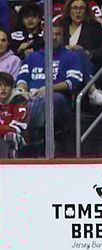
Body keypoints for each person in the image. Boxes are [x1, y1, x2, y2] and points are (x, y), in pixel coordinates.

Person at [14, 21, 83, 153]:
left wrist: (49, 88)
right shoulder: (32, 57)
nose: (54, 37)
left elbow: (73, 82)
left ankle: (34, 140)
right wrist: (23, 90)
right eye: (51, 34)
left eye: (58, 34)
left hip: (58, 97)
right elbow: (22, 77)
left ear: (63, 36)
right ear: (44, 36)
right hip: (31, 95)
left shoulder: (70, 56)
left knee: (48, 101)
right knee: (17, 99)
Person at [62, 0, 102, 106]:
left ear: (86, 11)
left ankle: (91, 90)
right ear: (69, 11)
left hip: (88, 65)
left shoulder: (94, 27)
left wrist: (88, 53)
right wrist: (65, 49)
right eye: (75, 8)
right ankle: (92, 91)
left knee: (80, 52)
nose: (78, 12)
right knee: (77, 52)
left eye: (81, 8)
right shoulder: (61, 27)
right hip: (63, 65)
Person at [0, 71, 27, 158]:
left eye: (6, 86)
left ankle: (11, 163)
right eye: (0, 86)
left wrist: (3, 129)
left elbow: (17, 128)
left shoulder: (19, 100)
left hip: (20, 138)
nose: (3, 88)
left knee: (10, 136)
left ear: (12, 87)